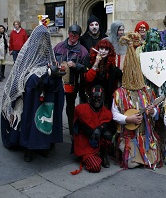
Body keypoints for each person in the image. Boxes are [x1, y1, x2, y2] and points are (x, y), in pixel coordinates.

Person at [1, 25, 65, 162]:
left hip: (47, 98)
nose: (43, 41)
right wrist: (40, 78)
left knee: (45, 121)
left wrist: (55, 76)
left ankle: (44, 146)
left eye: (45, 38)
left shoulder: (49, 54)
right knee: (29, 121)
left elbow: (56, 78)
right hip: (29, 99)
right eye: (40, 38)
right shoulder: (28, 54)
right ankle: (29, 148)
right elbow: (21, 75)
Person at [111, 32, 161, 169]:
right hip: (128, 136)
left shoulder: (147, 91)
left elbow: (157, 113)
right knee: (131, 164)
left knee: (153, 160)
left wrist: (152, 112)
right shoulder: (119, 93)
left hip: (145, 136)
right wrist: (128, 120)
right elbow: (114, 114)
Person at [54, 24, 89, 135]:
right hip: (58, 82)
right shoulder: (59, 47)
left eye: (76, 34)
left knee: (70, 107)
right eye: (72, 33)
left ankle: (71, 131)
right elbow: (51, 60)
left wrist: (76, 65)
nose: (73, 36)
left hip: (73, 84)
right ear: (68, 34)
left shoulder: (83, 51)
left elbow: (86, 68)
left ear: (79, 36)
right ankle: (55, 130)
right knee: (56, 106)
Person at [72, 85, 113, 173]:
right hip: (85, 141)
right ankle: (90, 157)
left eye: (99, 98)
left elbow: (104, 125)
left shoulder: (106, 112)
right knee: (95, 167)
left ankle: (103, 154)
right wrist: (94, 131)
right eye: (94, 97)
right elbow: (84, 128)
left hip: (98, 138)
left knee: (108, 135)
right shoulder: (81, 109)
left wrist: (99, 129)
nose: (96, 100)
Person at [83, 39, 123, 109]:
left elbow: (121, 75)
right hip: (91, 94)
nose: (103, 51)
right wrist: (96, 62)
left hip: (106, 97)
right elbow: (88, 79)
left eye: (106, 49)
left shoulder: (111, 65)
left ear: (109, 52)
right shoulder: (89, 60)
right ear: (97, 49)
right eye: (101, 48)